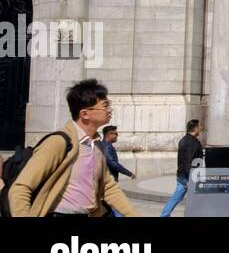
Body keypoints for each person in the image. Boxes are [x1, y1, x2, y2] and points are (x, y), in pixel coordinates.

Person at [6, 78, 136, 217]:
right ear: (84, 114)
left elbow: (109, 187)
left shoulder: (97, 145)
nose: (109, 110)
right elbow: (21, 188)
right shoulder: (58, 143)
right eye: (105, 105)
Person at [160, 119, 204, 217]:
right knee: (198, 199)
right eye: (200, 126)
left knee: (175, 198)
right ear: (195, 128)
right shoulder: (192, 143)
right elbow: (189, 161)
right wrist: (190, 179)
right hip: (190, 177)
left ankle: (164, 215)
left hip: (181, 175)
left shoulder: (183, 140)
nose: (201, 128)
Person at [97, 125, 134, 218]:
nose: (117, 136)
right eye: (116, 134)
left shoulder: (104, 145)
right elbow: (113, 163)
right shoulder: (107, 147)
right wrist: (129, 173)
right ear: (109, 135)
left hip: (106, 180)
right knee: (116, 205)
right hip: (109, 180)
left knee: (109, 207)